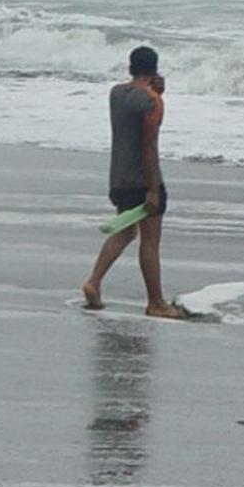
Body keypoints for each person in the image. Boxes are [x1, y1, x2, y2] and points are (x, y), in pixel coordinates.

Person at [82, 45, 191, 318]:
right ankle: (156, 302)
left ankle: (93, 282)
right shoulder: (152, 102)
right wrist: (154, 189)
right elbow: (149, 146)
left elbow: (132, 116)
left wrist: (156, 94)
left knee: (126, 232)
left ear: (130, 67)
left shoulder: (116, 94)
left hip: (119, 177)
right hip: (143, 179)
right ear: (155, 70)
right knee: (150, 240)